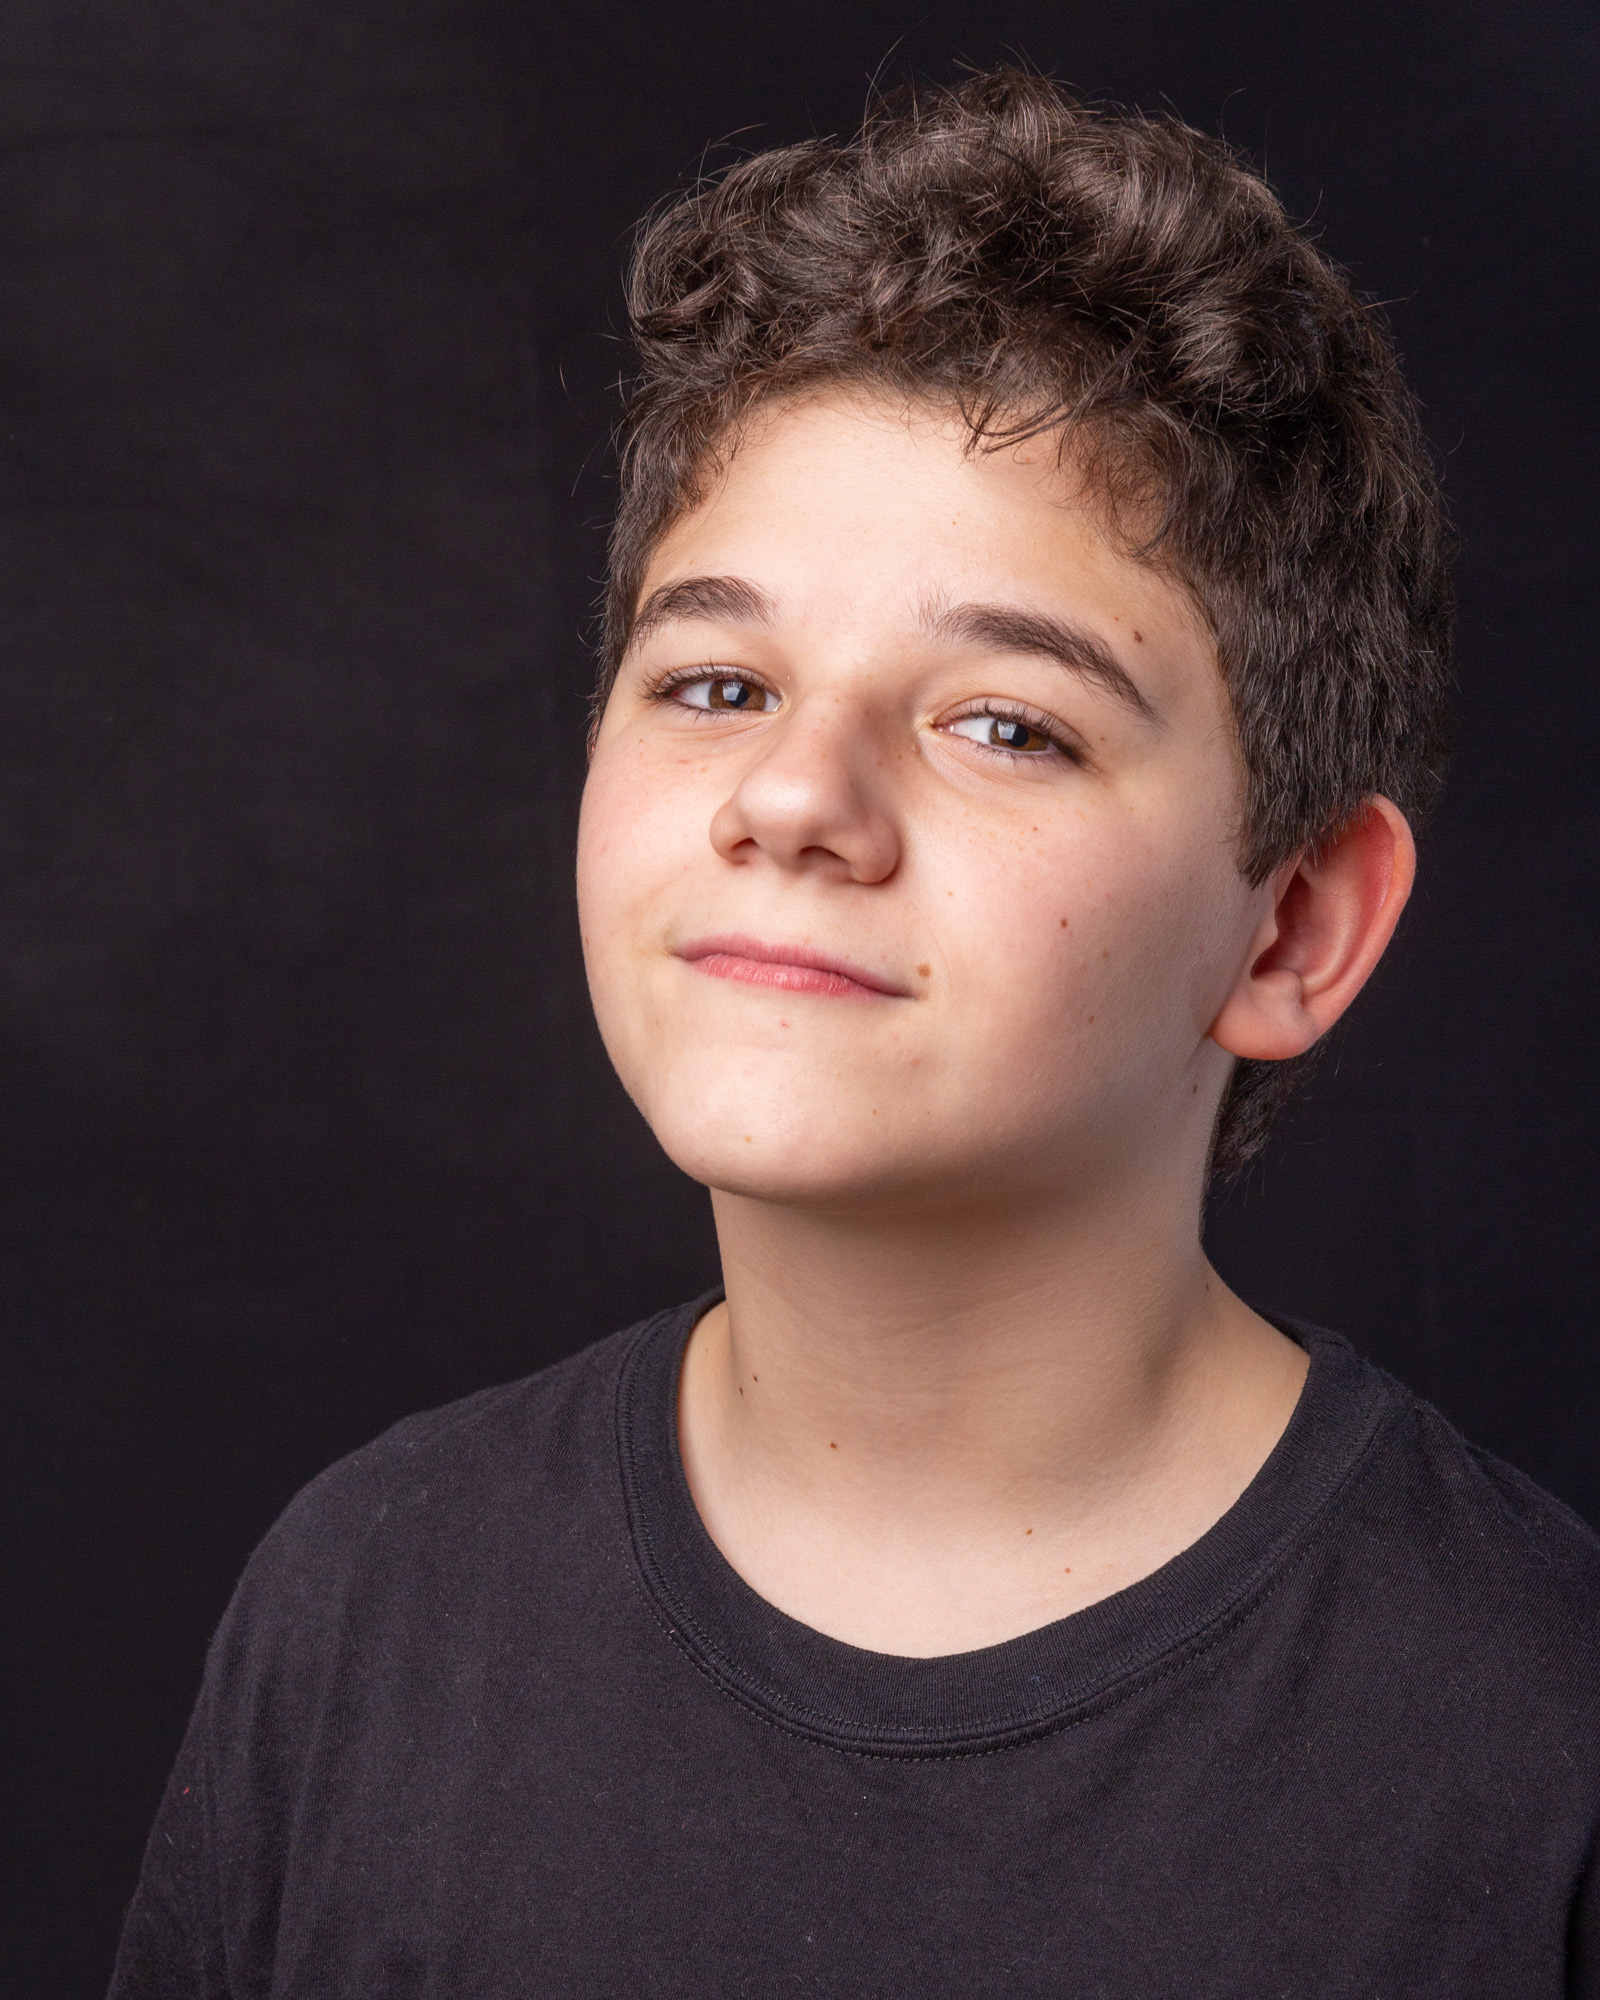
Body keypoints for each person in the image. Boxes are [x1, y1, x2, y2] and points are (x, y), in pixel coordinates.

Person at [111, 69, 1599, 1997]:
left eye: (1004, 722)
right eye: (715, 679)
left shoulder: (1531, 1749)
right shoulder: (365, 1612)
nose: (794, 794)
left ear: (1297, 924)